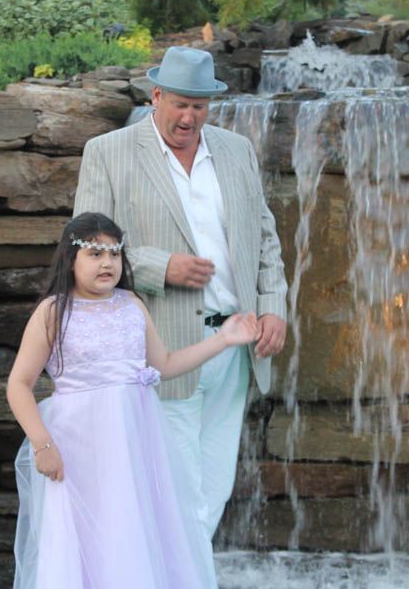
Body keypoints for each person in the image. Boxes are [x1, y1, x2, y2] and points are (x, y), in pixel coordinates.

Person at [73, 46, 287, 542]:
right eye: (180, 104)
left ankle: (179, 572)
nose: (189, 117)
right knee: (177, 493)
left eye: (199, 106)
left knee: (213, 489)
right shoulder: (107, 152)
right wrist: (159, 266)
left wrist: (274, 307)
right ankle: (177, 573)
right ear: (156, 97)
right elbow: (82, 248)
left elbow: (265, 238)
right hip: (159, 350)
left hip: (235, 346)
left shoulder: (236, 150)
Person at [7, 212, 259, 589]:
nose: (107, 263)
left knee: (131, 524)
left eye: (114, 254)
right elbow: (19, 384)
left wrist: (223, 339)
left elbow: (165, 364)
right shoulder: (54, 312)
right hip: (78, 444)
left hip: (133, 441)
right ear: (70, 259)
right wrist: (42, 444)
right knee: (85, 531)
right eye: (95, 254)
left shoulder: (131, 305)